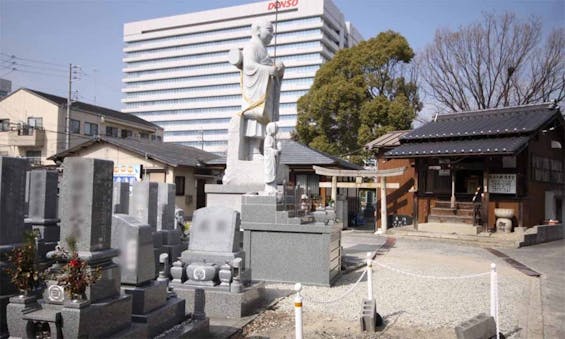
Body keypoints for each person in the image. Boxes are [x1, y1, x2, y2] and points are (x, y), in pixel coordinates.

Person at [240, 19, 285, 160]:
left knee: (265, 120)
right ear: (258, 30)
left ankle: (261, 148)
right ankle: (253, 151)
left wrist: (277, 69)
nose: (272, 35)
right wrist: (270, 70)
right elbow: (249, 67)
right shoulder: (251, 46)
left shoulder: (263, 49)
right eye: (269, 31)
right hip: (256, 91)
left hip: (266, 90)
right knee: (256, 117)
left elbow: (267, 66)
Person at [263, 122, 281, 195]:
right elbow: (267, 149)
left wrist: (279, 148)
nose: (276, 131)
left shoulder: (273, 138)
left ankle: (273, 188)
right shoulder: (268, 138)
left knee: (274, 173)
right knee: (270, 172)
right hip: (269, 159)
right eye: (275, 129)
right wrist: (275, 151)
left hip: (273, 159)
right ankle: (270, 189)